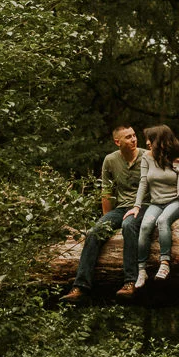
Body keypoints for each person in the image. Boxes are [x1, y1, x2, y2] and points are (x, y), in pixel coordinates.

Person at [63, 125, 144, 303]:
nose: (133, 139)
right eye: (128, 137)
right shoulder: (110, 160)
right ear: (117, 142)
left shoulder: (147, 157)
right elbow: (106, 192)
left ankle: (130, 282)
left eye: (134, 135)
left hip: (143, 206)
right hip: (122, 208)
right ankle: (80, 287)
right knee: (94, 232)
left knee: (128, 226)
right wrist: (106, 221)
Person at [126, 124, 179, 290]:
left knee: (162, 221)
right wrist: (136, 206)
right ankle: (142, 270)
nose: (147, 142)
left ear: (161, 141)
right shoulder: (147, 158)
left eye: (150, 139)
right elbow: (143, 183)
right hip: (156, 203)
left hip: (174, 202)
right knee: (145, 225)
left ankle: (164, 263)